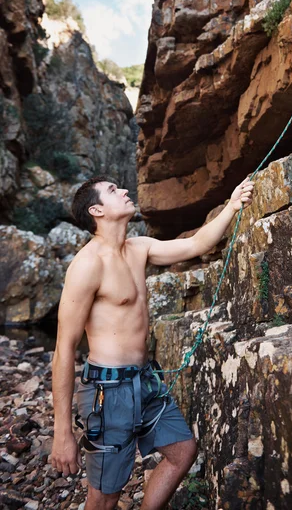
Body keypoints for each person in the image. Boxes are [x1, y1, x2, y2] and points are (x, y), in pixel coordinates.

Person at [51, 174, 254, 510]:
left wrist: (232, 206)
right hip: (108, 392)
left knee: (182, 452)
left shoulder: (139, 248)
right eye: (114, 190)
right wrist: (62, 433)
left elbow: (195, 245)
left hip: (145, 380)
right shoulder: (87, 266)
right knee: (104, 497)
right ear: (97, 210)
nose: (126, 190)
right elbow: (64, 349)